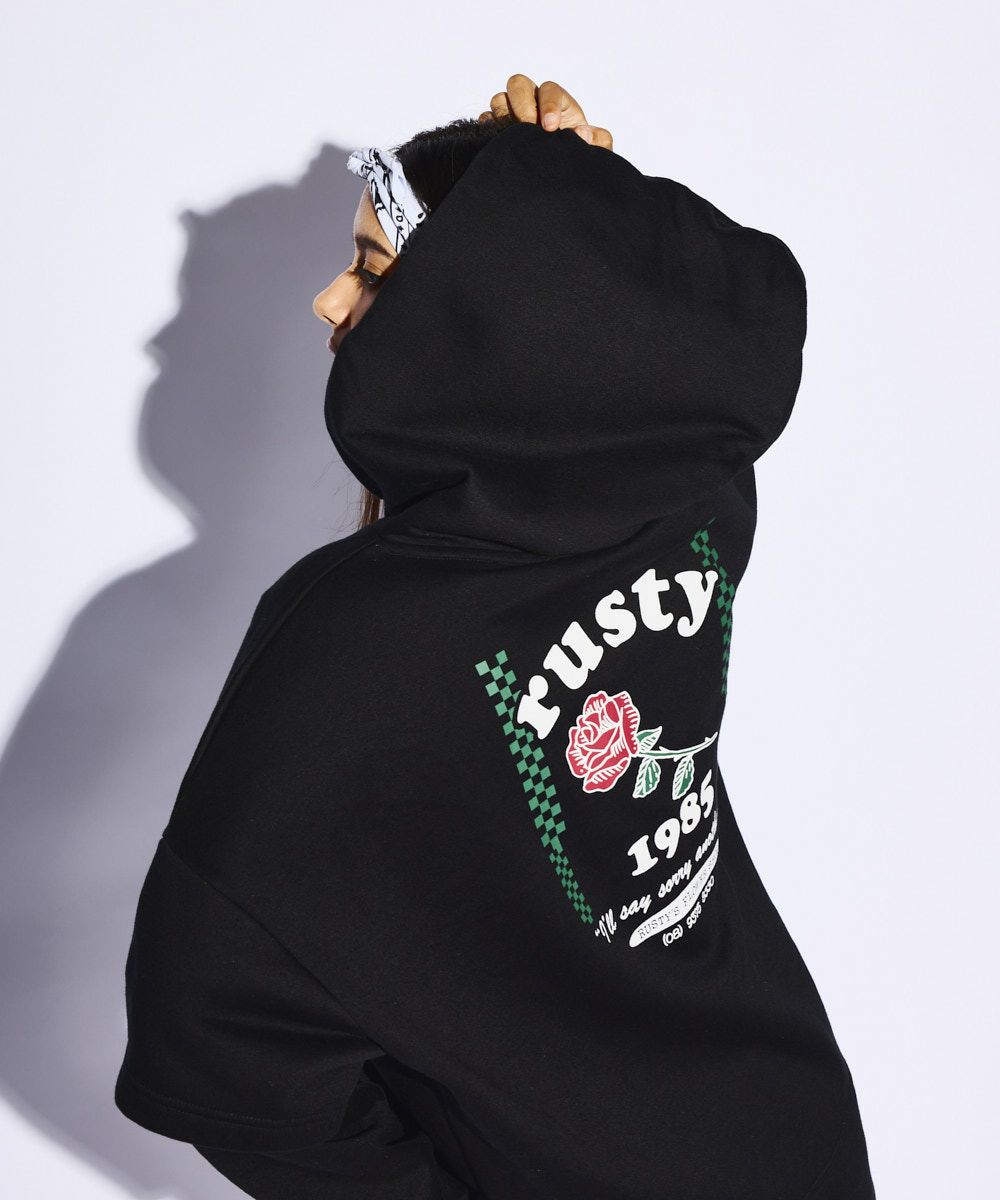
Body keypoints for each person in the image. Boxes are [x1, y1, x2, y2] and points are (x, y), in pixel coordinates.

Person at [113, 75, 877, 1200]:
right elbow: (657, 349)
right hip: (790, 1123)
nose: (328, 300)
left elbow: (210, 1035)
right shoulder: (689, 492)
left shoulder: (352, 646)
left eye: (372, 267)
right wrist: (578, 209)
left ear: (489, 302)